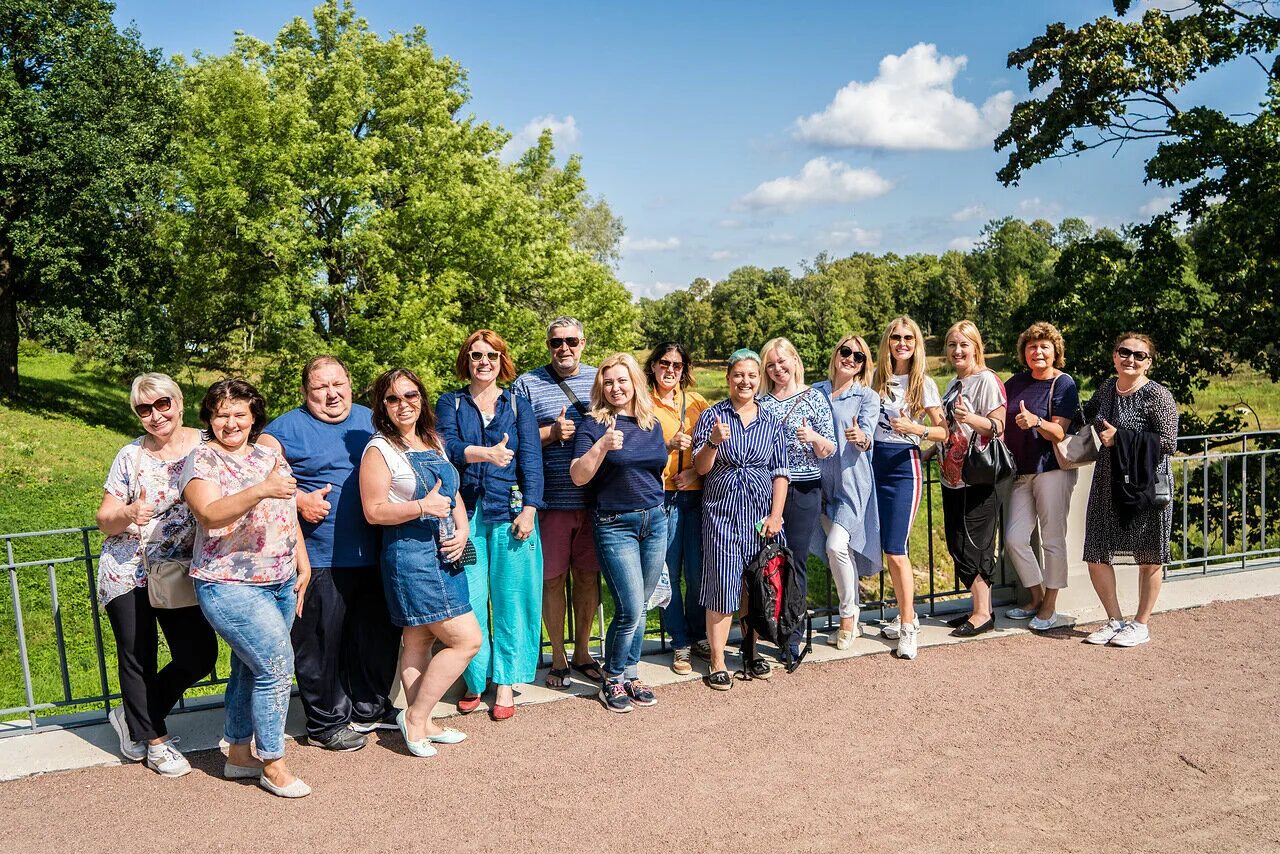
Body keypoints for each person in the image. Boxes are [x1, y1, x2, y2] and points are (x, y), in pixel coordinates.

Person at [181, 379, 313, 798]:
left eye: (240, 413)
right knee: (276, 667)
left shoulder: (269, 455)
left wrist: (302, 564)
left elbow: (287, 508)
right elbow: (209, 514)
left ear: (254, 416)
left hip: (279, 578)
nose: (231, 422)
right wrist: (260, 489)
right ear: (210, 419)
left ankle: (239, 753)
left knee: (248, 667)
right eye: (222, 414)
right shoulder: (201, 459)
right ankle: (273, 762)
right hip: (229, 583)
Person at [258, 356, 397, 753]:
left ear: (350, 383)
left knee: (375, 638)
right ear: (306, 392)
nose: (331, 394)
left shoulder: (375, 419)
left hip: (375, 551)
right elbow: (258, 482)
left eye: (338, 384)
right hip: (318, 557)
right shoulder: (280, 432)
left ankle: (370, 708)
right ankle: (325, 723)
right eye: (321, 387)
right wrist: (299, 499)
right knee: (321, 644)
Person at [96, 373, 217, 777]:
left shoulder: (207, 445)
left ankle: (134, 717)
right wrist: (127, 513)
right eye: (144, 409)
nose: (155, 415)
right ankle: (154, 741)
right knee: (138, 656)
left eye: (163, 404)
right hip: (128, 569)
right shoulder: (130, 456)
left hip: (182, 570)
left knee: (199, 655)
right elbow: (104, 518)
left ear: (179, 403)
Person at [360, 368, 481, 756]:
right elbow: (374, 511)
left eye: (410, 396)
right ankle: (414, 719)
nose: (403, 405)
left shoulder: (432, 440)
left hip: (447, 552)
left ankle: (423, 719)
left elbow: (453, 494)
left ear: (421, 399)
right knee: (467, 640)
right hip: (412, 558)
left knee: (419, 638)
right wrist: (420, 507)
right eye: (393, 399)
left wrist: (462, 530)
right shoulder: (379, 450)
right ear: (382, 406)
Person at [436, 330, 544, 721]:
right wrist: (483, 454)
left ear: (502, 361)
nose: (484, 362)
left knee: (513, 600)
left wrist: (531, 508)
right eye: (476, 355)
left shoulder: (517, 405)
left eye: (492, 356)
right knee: (470, 600)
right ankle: (476, 678)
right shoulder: (451, 402)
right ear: (466, 360)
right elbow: (444, 446)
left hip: (512, 513)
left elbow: (531, 459)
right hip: (464, 516)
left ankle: (504, 683)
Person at [570, 353, 669, 712]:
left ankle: (631, 671)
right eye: (608, 382)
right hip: (615, 524)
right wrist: (601, 446)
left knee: (642, 606)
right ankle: (612, 678)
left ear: (634, 384)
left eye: (622, 380)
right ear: (601, 387)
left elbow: (656, 469)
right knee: (629, 606)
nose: (615, 387)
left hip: (655, 521)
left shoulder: (650, 423)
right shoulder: (593, 425)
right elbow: (578, 476)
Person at [511, 317, 603, 688]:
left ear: (583, 342)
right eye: (555, 343)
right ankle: (558, 659)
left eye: (570, 341)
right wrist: (550, 433)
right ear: (548, 345)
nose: (563, 348)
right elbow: (511, 438)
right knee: (552, 581)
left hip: (595, 501)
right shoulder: (527, 384)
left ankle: (582, 652)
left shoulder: (601, 378)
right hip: (548, 501)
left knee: (587, 578)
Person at [692, 349, 789, 690]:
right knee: (723, 585)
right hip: (722, 514)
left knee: (756, 585)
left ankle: (750, 651)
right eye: (738, 375)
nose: (745, 381)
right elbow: (701, 468)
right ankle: (718, 660)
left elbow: (780, 472)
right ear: (728, 379)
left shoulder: (771, 422)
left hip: (761, 516)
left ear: (759, 378)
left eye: (751, 375)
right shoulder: (712, 417)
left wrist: (776, 515)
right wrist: (713, 442)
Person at [1082, 333, 1178, 647]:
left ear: (1148, 362)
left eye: (1139, 355)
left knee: (1149, 556)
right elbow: (1084, 414)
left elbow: (1168, 443)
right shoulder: (1108, 388)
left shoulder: (1158, 395)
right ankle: (1114, 620)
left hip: (1146, 485)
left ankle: (1141, 624)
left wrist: (1120, 438)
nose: (1130, 359)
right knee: (1096, 552)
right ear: (1114, 356)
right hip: (1107, 482)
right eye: (1125, 352)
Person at [871, 316, 945, 660]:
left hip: (904, 467)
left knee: (897, 550)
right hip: (872, 465)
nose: (902, 343)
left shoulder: (923, 383)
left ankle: (909, 623)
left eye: (909, 339)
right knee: (882, 548)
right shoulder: (875, 379)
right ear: (888, 342)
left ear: (917, 345)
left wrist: (914, 429)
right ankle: (900, 613)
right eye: (896, 337)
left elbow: (944, 431)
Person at [760, 336, 836, 661]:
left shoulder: (813, 398)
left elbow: (829, 448)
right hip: (767, 490)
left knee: (797, 560)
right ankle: (770, 626)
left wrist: (814, 436)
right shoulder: (762, 402)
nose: (778, 369)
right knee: (770, 561)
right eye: (772, 365)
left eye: (782, 361)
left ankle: (792, 635)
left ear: (794, 360)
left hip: (804, 488)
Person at [1003, 322, 1079, 631]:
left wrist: (1036, 421)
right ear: (1024, 352)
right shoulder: (1015, 383)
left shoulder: (1063, 384)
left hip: (1052, 471)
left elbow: (1060, 431)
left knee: (1052, 541)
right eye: (1032, 346)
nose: (1038, 351)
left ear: (1055, 352)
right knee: (1015, 538)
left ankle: (1049, 607)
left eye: (1044, 346)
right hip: (1022, 472)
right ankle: (1035, 597)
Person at [938, 321, 1008, 637]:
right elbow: (950, 428)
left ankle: (983, 613)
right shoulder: (953, 384)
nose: (958, 351)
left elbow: (998, 426)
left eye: (964, 344)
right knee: (957, 542)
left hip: (978, 475)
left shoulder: (987, 381)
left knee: (976, 544)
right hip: (952, 476)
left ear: (976, 346)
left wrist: (970, 419)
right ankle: (978, 607)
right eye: (952, 345)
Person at [645, 343, 710, 674]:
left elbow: (713, 447)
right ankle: (679, 641)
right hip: (661, 497)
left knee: (698, 571)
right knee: (667, 573)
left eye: (677, 365)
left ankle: (699, 634)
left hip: (695, 496)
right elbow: (635, 447)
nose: (670, 369)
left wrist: (695, 470)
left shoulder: (698, 404)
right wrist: (666, 447)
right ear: (654, 366)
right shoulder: (642, 403)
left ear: (685, 369)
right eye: (664, 363)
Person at [812, 336, 880, 649]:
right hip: (819, 483)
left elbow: (867, 437)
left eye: (859, 356)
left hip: (851, 485)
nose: (851, 358)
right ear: (836, 353)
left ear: (864, 364)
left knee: (837, 546)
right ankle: (851, 613)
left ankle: (848, 615)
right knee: (844, 553)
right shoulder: (815, 392)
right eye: (846, 351)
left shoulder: (866, 396)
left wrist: (860, 437)